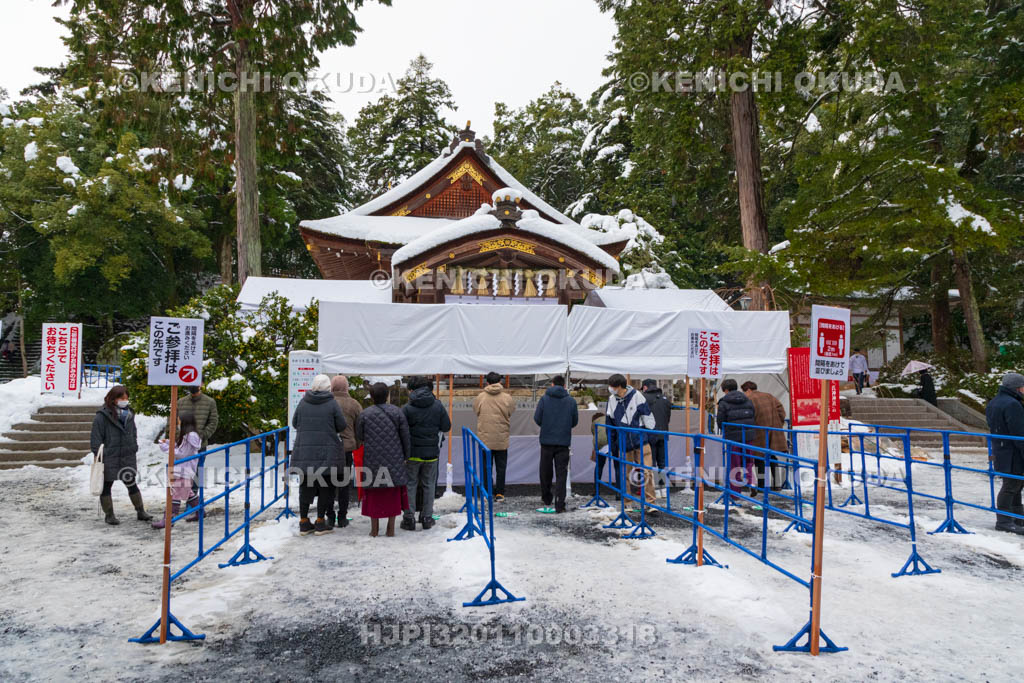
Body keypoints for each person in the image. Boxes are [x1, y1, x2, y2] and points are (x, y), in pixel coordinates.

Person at [290, 374, 347, 536]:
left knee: (305, 487)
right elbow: (342, 425)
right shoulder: (331, 403)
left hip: (305, 452)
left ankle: (303, 522)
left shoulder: (303, 402)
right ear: (328, 387)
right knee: (325, 487)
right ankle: (320, 522)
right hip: (326, 452)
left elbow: (295, 423)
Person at [90, 385, 152, 525]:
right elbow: (95, 439)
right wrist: (103, 454)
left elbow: (133, 432)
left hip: (126, 455)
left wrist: (133, 447)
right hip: (109, 457)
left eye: (126, 398)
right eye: (121, 398)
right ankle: (109, 515)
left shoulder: (129, 414)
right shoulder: (102, 416)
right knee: (106, 486)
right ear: (113, 399)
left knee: (131, 483)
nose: (125, 400)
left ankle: (141, 511)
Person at [356, 382, 411, 537]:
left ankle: (374, 530)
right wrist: (406, 456)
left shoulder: (365, 414)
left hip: (372, 459)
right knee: (392, 492)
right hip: (394, 458)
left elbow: (359, 436)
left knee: (374, 493)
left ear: (371, 396)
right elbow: (405, 437)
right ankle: (390, 529)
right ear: (387, 395)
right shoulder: (398, 412)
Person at [401, 376, 452, 530]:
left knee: (410, 484)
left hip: (412, 454)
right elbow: (446, 426)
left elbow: (401, 430)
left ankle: (409, 519)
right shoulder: (437, 406)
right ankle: (427, 518)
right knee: (429, 485)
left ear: (412, 389)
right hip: (431, 454)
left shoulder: (407, 408)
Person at [606, 374, 656, 506]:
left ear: (620, 387)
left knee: (647, 473)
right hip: (623, 442)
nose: (610, 388)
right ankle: (627, 503)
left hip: (641, 441)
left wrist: (648, 438)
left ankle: (650, 503)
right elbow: (609, 423)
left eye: (612, 386)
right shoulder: (611, 400)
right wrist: (612, 445)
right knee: (625, 474)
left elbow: (648, 418)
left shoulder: (637, 396)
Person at [533, 375, 579, 513]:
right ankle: (560, 503)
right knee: (561, 473)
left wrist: (547, 426)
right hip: (563, 442)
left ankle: (547, 497)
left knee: (545, 471)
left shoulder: (544, 399)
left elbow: (537, 418)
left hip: (546, 441)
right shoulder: (571, 401)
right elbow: (575, 421)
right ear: (564, 386)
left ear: (552, 384)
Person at [986, 373, 1024, 535]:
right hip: (1012, 452)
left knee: (1015, 484)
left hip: (1001, 450)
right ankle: (1004, 521)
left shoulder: (995, 402)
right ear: (1017, 388)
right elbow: (1018, 433)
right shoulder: (1013, 404)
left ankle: (1016, 517)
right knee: (1011, 485)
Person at [151, 414, 202, 530]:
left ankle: (168, 520)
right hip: (183, 469)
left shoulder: (190, 436)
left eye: (179, 420)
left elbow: (182, 453)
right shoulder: (189, 435)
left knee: (174, 494)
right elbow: (181, 447)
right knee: (188, 493)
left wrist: (166, 448)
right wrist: (169, 442)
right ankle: (200, 512)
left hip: (183, 470)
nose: (177, 423)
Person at [473, 371, 516, 502]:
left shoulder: (480, 397)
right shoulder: (507, 398)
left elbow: (476, 411)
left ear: (487, 382)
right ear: (500, 382)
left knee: (486, 467)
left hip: (485, 438)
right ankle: (500, 493)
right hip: (501, 438)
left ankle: (487, 492)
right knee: (501, 467)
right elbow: (511, 412)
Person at [742, 381, 788, 490]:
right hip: (773, 430)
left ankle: (762, 485)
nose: (744, 394)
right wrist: (777, 423)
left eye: (744, 392)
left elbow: (748, 417)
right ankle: (777, 485)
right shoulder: (769, 396)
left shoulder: (750, 399)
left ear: (748, 390)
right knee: (772, 457)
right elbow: (781, 411)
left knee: (759, 458)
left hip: (758, 432)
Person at [331, 375, 362, 529]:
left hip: (328, 448)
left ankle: (329, 516)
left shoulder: (326, 402)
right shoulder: (354, 404)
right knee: (343, 484)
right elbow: (360, 427)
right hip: (346, 449)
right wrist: (357, 443)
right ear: (346, 387)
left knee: (328, 483)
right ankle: (342, 517)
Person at [717, 378, 757, 495]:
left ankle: (735, 493)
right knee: (748, 461)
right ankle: (752, 482)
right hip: (748, 435)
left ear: (726, 390)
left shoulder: (723, 402)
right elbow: (753, 415)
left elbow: (720, 421)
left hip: (732, 437)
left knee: (734, 464)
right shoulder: (748, 400)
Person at [641, 379, 672, 497]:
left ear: (645, 387)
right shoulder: (665, 399)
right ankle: (663, 488)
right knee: (662, 462)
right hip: (663, 434)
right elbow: (668, 418)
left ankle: (653, 489)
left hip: (649, 434)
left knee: (651, 462)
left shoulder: (643, 398)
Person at [173, 385, 220, 451]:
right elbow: (172, 421)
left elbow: (213, 422)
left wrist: (201, 436)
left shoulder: (210, 402)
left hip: (200, 446)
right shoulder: (180, 402)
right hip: (182, 446)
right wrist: (178, 437)